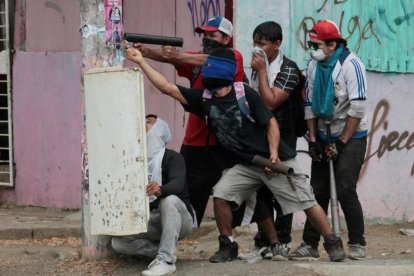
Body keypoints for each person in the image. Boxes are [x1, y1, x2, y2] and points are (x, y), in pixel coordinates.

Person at [124, 46, 347, 264]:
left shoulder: (244, 94)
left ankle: (332, 242)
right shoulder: (204, 99)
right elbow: (168, 88)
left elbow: (270, 123)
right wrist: (141, 61)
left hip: (276, 160)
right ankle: (228, 244)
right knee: (221, 194)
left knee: (306, 201)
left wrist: (273, 155)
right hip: (248, 164)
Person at [133, 16, 246, 226]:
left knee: (233, 197)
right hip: (195, 140)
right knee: (189, 196)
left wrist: (178, 55)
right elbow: (173, 59)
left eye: (212, 35)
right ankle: (182, 231)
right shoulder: (194, 58)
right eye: (205, 35)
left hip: (226, 142)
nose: (207, 39)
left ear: (227, 39)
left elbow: (203, 60)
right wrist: (146, 53)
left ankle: (254, 241)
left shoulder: (233, 56)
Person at [288, 20, 368, 261]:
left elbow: (358, 107)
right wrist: (313, 139)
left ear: (332, 45)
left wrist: (341, 142)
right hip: (323, 132)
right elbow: (310, 104)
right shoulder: (314, 64)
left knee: (345, 187)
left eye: (317, 44)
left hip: (351, 134)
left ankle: (357, 242)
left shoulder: (351, 65)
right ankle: (310, 244)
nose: (312, 48)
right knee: (318, 190)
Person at [238, 21, 305, 262]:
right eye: (255, 42)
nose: (257, 48)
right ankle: (263, 240)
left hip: (284, 136)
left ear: (277, 44)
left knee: (282, 190)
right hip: (260, 134)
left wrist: (263, 72)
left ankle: (283, 240)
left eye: (262, 43)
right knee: (260, 189)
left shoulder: (289, 70)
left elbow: (269, 102)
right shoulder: (258, 67)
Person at [111, 115, 196, 276]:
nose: (144, 123)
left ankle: (166, 261)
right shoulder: (135, 162)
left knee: (168, 201)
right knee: (118, 242)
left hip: (180, 219)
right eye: (142, 120)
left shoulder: (173, 158)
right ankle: (162, 250)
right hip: (152, 220)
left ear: (160, 131)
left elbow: (178, 183)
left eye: (149, 121)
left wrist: (161, 190)